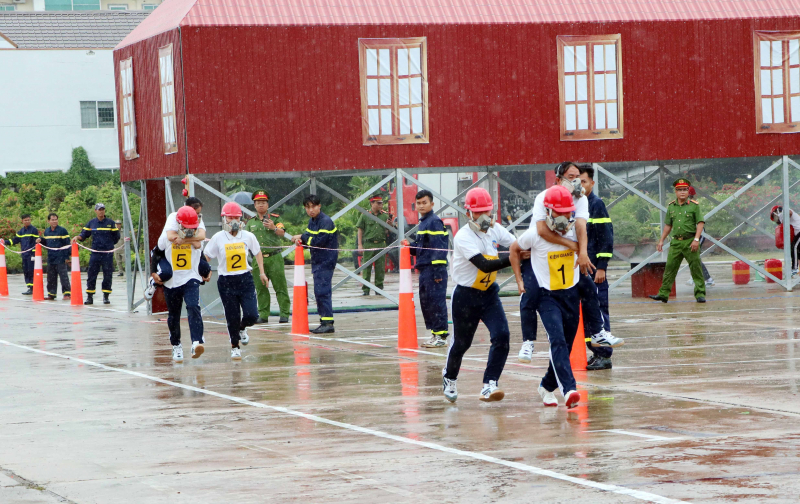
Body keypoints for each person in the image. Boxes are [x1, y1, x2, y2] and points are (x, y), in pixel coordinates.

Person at [524, 162, 623, 356]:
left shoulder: (582, 199)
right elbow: (542, 230)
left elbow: (580, 227)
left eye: (578, 176)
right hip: (541, 253)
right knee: (529, 295)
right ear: (558, 179)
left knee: (588, 288)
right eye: (571, 176)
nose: (576, 181)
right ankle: (527, 342)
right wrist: (574, 246)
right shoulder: (543, 197)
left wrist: (583, 253)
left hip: (566, 256)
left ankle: (597, 333)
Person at [510, 185, 583, 409]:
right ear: (548, 212)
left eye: (568, 214)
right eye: (558, 214)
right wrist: (519, 279)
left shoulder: (575, 232)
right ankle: (569, 389)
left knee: (566, 346)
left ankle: (546, 385)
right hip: (547, 296)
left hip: (571, 293)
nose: (563, 218)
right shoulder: (536, 234)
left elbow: (585, 239)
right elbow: (514, 250)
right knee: (557, 340)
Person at [442, 187, 516, 403]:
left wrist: (525, 250)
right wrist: (514, 258)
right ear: (468, 213)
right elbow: (484, 265)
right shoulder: (463, 237)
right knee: (462, 343)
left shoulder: (495, 229)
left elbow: (515, 245)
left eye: (487, 211)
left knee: (502, 336)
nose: (484, 217)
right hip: (466, 296)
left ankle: (489, 384)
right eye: (478, 212)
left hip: (489, 294)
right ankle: (450, 377)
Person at [203, 202, 268, 360]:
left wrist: (262, 272)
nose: (233, 221)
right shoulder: (218, 237)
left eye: (236, 218)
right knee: (232, 316)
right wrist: (205, 271)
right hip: (226, 281)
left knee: (252, 314)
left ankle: (242, 327)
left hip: (245, 279)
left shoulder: (248, 236)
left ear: (241, 219)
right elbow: (206, 256)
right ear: (224, 219)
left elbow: (257, 252)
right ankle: (235, 346)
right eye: (230, 218)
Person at [156, 206, 211, 362]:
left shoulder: (198, 235)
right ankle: (176, 344)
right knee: (174, 315)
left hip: (190, 277)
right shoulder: (167, 236)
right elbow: (157, 253)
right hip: (172, 280)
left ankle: (196, 342)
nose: (189, 230)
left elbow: (200, 245)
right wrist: (154, 274)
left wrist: (205, 270)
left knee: (193, 306)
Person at [578, 165, 616, 371]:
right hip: (580, 272)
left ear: (592, 183)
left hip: (594, 271)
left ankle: (604, 355)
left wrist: (602, 267)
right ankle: (595, 352)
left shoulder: (596, 204)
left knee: (599, 312)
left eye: (584, 182)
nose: (580, 186)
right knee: (586, 314)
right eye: (577, 182)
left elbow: (606, 238)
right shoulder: (575, 205)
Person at [649, 178, 706, 303]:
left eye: (685, 190)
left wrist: (696, 239)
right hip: (676, 242)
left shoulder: (694, 206)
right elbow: (668, 225)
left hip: (690, 241)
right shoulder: (671, 207)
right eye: (679, 190)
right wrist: (661, 240)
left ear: (688, 191)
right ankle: (663, 294)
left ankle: (700, 294)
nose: (682, 192)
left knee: (696, 268)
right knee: (670, 268)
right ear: (675, 191)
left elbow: (700, 223)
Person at [244, 190, 293, 324]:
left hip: (274, 257)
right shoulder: (250, 223)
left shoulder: (275, 218)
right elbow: (245, 241)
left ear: (267, 204)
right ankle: (263, 314)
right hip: (257, 259)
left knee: (280, 287)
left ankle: (284, 314)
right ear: (254, 205)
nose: (261, 205)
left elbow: (282, 233)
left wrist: (273, 228)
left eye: (263, 202)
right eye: (258, 203)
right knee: (261, 288)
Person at [145, 197, 207, 301]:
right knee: (167, 273)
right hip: (163, 251)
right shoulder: (174, 217)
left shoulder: (197, 218)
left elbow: (202, 236)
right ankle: (153, 284)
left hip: (184, 250)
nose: (196, 218)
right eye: (195, 214)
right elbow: (171, 236)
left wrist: (186, 240)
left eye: (198, 215)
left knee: (205, 269)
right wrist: (153, 271)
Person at [409, 190, 450, 348]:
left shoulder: (434, 221)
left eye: (424, 202)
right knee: (427, 302)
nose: (421, 206)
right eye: (418, 203)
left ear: (432, 204)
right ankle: (435, 333)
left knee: (436, 302)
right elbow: (422, 248)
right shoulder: (424, 222)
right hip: (425, 269)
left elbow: (439, 249)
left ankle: (441, 335)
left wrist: (438, 271)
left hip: (434, 270)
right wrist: (408, 247)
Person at [295, 194, 339, 334]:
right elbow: (309, 238)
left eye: (313, 206)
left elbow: (319, 241)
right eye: (307, 207)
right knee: (319, 292)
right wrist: (303, 239)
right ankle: (324, 321)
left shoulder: (325, 221)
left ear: (319, 206)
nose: (310, 210)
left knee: (322, 292)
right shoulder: (312, 221)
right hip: (317, 261)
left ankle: (328, 323)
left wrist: (302, 238)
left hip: (326, 261)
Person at [73, 203, 120, 305]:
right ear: (95, 211)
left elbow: (116, 237)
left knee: (108, 275)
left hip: (107, 253)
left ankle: (106, 296)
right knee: (92, 274)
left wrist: (109, 245)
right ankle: (90, 296)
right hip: (95, 253)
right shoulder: (92, 223)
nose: (101, 211)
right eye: (99, 209)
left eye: (103, 209)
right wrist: (77, 237)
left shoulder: (110, 223)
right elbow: (84, 235)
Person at [357, 195, 392, 295]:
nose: (381, 205)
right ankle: (366, 289)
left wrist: (390, 225)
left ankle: (379, 288)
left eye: (381, 203)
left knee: (380, 267)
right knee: (367, 268)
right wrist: (360, 244)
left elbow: (388, 231)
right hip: (369, 243)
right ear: (372, 203)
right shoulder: (365, 215)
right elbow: (360, 229)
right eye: (378, 203)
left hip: (381, 243)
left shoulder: (385, 216)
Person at [684, 187, 714, 286]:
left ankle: (704, 278)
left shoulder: (691, 204)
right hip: (693, 233)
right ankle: (704, 278)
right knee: (694, 257)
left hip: (698, 234)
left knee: (694, 257)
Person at [37, 213, 71, 301]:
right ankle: (51, 294)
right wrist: (41, 240)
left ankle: (67, 293)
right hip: (51, 257)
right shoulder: (47, 231)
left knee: (63, 277)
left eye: (56, 219)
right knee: (51, 277)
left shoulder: (63, 231)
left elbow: (67, 244)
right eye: (52, 220)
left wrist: (67, 257)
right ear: (48, 221)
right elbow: (47, 243)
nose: (54, 221)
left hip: (61, 257)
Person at [3, 214, 39, 295]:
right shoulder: (21, 231)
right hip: (24, 254)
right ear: (22, 221)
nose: (27, 221)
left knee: (31, 271)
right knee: (26, 271)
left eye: (29, 220)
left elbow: (37, 242)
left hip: (31, 254)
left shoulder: (34, 230)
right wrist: (5, 242)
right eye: (25, 220)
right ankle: (29, 287)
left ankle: (33, 287)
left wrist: (34, 253)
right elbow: (15, 240)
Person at [770, 204, 800, 276]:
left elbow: (789, 212)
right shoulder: (785, 219)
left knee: (794, 248)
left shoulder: (786, 211)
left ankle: (794, 268)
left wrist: (783, 214)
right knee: (798, 254)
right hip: (797, 233)